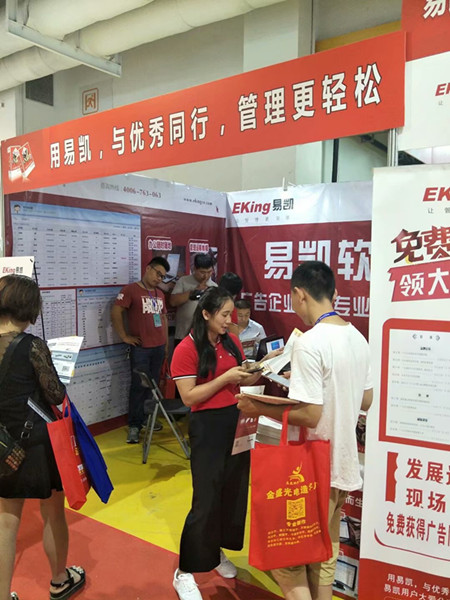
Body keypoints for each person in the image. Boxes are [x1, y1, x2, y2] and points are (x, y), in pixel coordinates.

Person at [237, 261, 373, 600]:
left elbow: (310, 415)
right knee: (324, 550)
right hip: (342, 464)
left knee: (288, 558)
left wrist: (257, 406)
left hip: (311, 466)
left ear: (300, 294)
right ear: (333, 293)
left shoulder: (310, 342)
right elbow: (366, 399)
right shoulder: (357, 337)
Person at [170, 287, 261, 600]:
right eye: (224, 314)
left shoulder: (230, 340)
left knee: (232, 491)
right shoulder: (186, 348)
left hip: (236, 422)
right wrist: (224, 379)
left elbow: (242, 379)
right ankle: (184, 572)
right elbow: (188, 397)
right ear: (206, 314)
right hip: (207, 428)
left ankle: (215, 552)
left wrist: (266, 366)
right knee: (205, 499)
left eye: (231, 314)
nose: (230, 320)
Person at [0, 275, 85, 600]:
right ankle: (60, 580)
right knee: (53, 511)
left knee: (6, 522)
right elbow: (55, 394)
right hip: (35, 442)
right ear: (29, 307)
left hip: (3, 445)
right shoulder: (32, 345)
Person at [111, 256, 170, 444]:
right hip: (141, 348)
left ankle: (146, 418)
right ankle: (134, 425)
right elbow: (116, 311)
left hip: (158, 347)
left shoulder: (159, 294)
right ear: (148, 269)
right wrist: (124, 336)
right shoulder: (130, 290)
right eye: (157, 273)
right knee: (138, 386)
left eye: (162, 276)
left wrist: (165, 343)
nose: (159, 278)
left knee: (152, 386)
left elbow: (163, 318)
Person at [170, 253, 216, 345]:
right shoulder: (184, 281)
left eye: (209, 272)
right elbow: (173, 301)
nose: (206, 276)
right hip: (183, 334)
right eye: (202, 272)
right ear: (194, 269)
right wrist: (193, 292)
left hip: (205, 337)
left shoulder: (214, 287)